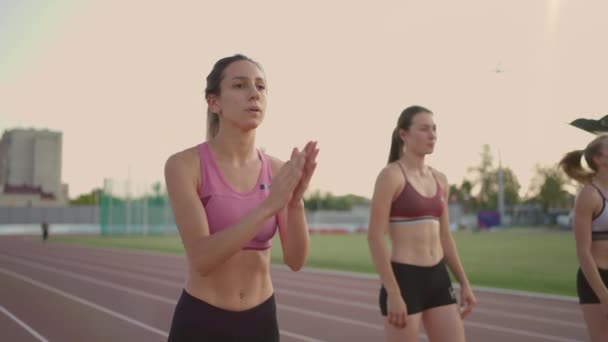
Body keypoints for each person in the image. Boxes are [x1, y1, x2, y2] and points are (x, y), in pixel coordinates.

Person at [164, 54, 319, 341]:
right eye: (240, 85)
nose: (253, 94)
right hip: (202, 320)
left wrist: (295, 203)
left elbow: (296, 260)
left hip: (260, 321)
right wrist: (268, 207)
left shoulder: (277, 169)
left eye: (261, 86)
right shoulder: (184, 165)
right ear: (214, 102)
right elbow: (202, 258)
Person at [367, 105, 476, 341]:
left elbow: (445, 238)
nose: (433, 135)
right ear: (403, 134)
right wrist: (393, 292)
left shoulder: (441, 180)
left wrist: (464, 283)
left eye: (435, 129)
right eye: (425, 129)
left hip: (438, 278)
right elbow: (375, 237)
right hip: (405, 280)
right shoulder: (391, 176)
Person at [560, 134, 608, 341]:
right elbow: (583, 251)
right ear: (599, 159)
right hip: (597, 278)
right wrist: (603, 294)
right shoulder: (589, 195)